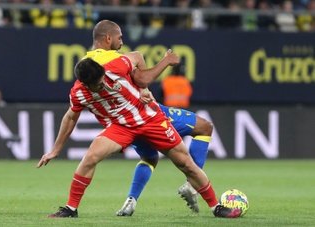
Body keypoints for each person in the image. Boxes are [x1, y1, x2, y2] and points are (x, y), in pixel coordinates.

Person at [37, 28, 241, 219]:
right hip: (121, 126)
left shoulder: (115, 65)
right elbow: (70, 117)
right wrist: (55, 150)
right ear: (85, 84)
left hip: (149, 117)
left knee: (185, 163)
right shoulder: (79, 93)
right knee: (90, 157)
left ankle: (216, 207)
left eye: (102, 80)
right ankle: (70, 208)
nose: (102, 85)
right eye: (97, 85)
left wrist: (144, 88)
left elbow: (137, 56)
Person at [87, 19, 213, 215]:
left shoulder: (91, 63)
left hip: (128, 122)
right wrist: (166, 61)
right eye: (119, 38)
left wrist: (142, 88)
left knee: (150, 157)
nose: (122, 41)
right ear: (108, 39)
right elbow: (142, 76)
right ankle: (192, 184)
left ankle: (131, 200)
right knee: (205, 127)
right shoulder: (115, 58)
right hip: (151, 114)